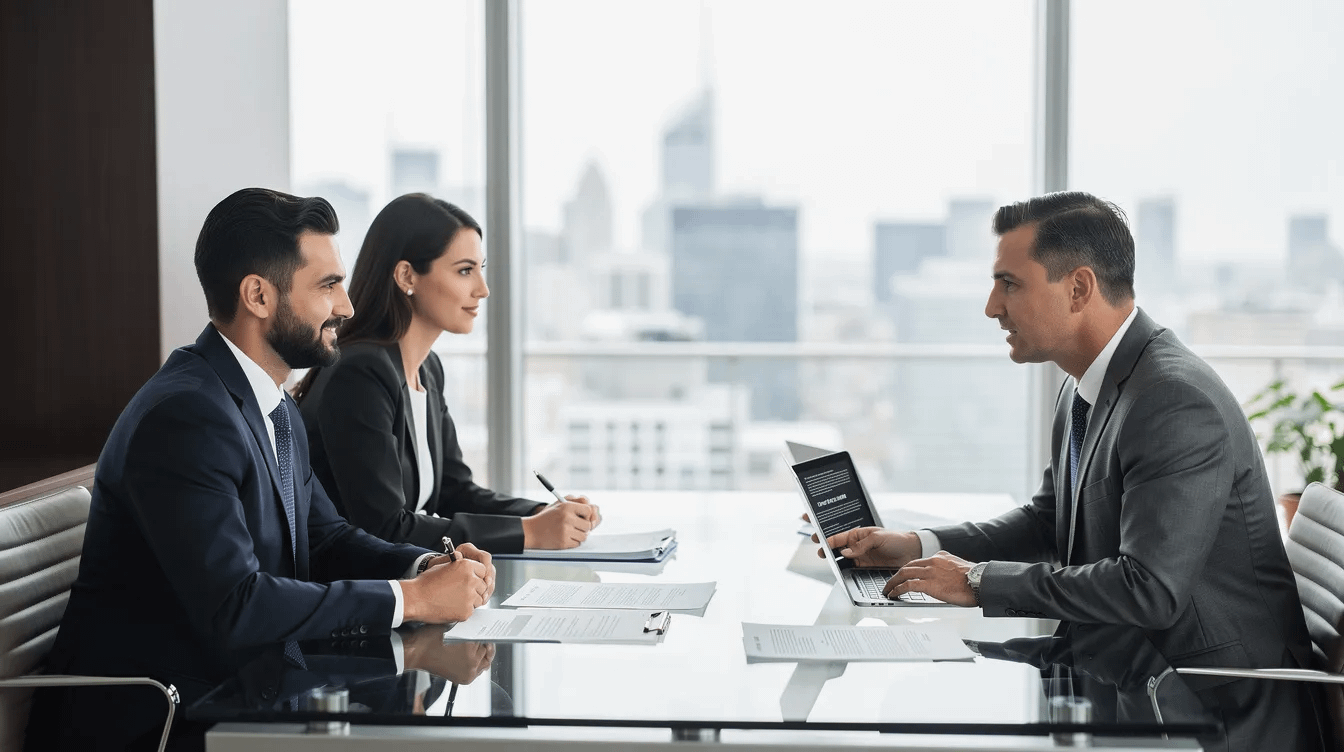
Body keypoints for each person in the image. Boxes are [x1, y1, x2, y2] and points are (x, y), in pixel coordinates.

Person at [824, 192, 1323, 749]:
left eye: (1009, 284)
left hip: (1210, 707)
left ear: (1079, 288)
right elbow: (1049, 520)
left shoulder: (1174, 401)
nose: (992, 307)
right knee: (917, 697)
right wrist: (916, 545)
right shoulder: (1086, 384)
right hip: (1128, 671)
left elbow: (1148, 589)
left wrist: (976, 580)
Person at [27, 188, 496, 752]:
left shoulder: (270, 403)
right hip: (158, 720)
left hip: (243, 692)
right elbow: (236, 605)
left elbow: (325, 538)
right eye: (327, 286)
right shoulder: (186, 416)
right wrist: (412, 599)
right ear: (258, 295)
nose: (346, 306)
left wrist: (428, 564)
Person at [295, 193, 600, 554]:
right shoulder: (360, 374)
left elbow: (455, 492)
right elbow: (385, 527)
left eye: (480, 269)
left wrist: (542, 514)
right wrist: (529, 533)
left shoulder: (426, 368)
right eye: (464, 271)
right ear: (407, 275)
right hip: (356, 589)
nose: (482, 290)